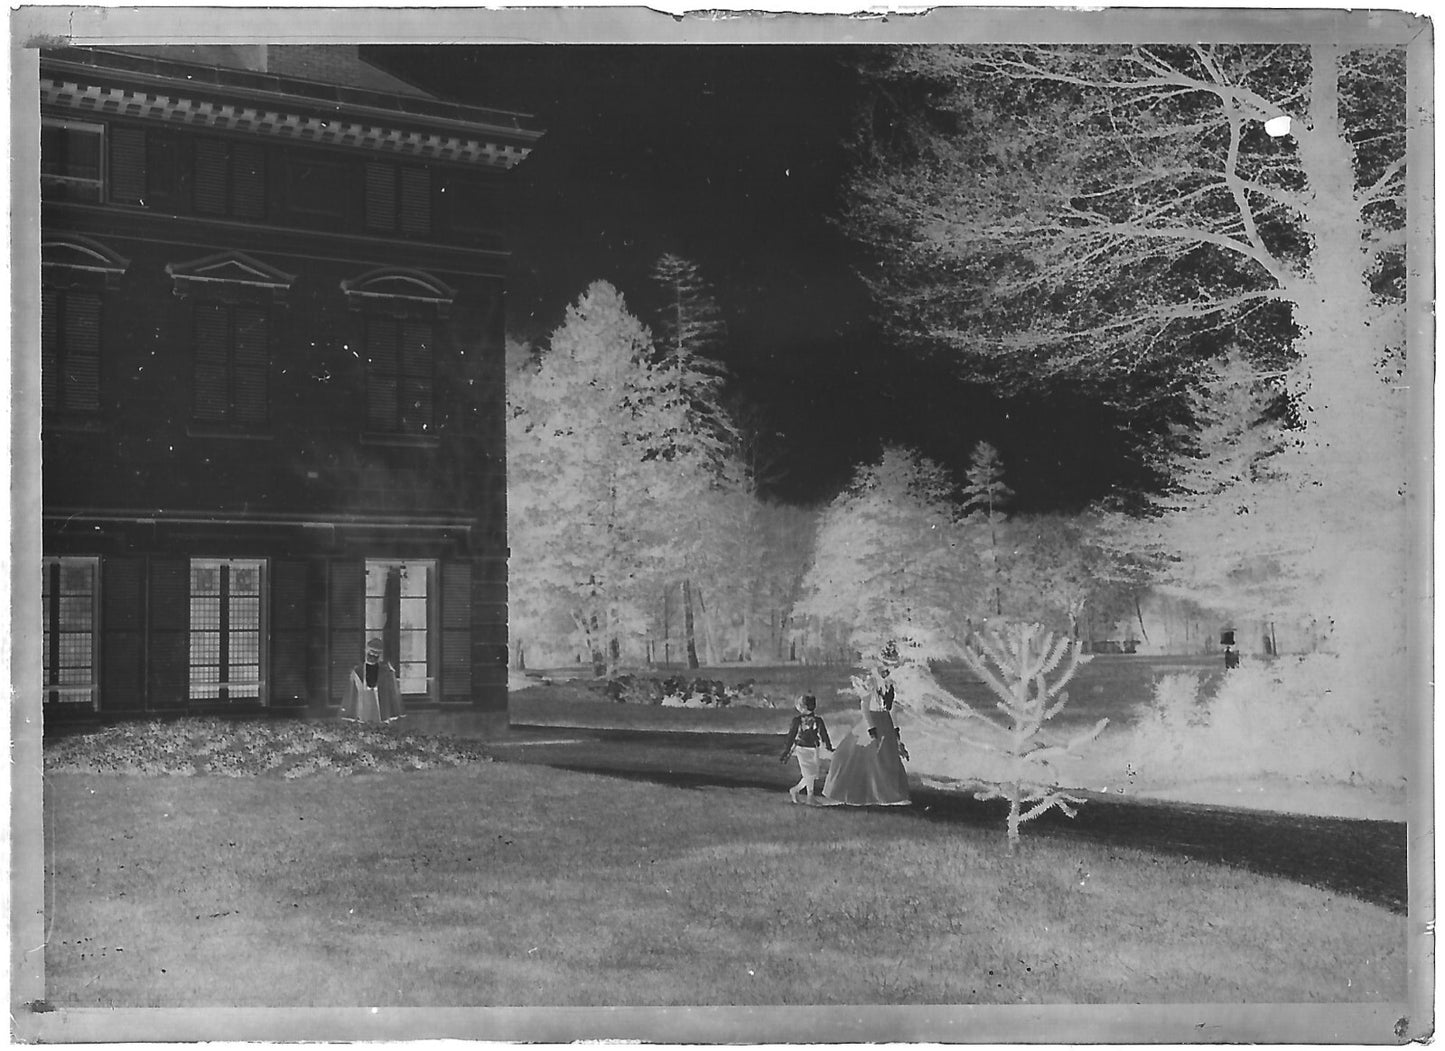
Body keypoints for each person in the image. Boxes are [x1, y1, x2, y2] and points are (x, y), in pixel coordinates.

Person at [820, 643, 911, 807]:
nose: (888, 670)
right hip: (873, 721)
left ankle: (888, 794)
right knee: (850, 755)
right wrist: (871, 728)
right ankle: (857, 793)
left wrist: (896, 730)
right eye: (886, 665)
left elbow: (891, 708)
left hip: (885, 722)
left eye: (891, 666)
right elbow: (864, 706)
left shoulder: (889, 685)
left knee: (886, 759)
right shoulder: (872, 682)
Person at [779, 694, 834, 804]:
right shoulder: (800, 720)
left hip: (814, 749)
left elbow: (824, 734)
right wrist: (786, 751)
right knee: (809, 774)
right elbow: (791, 736)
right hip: (802, 749)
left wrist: (828, 746)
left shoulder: (814, 720)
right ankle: (810, 797)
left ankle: (795, 790)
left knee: (812, 774)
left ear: (803, 707)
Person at [340, 637, 405, 723]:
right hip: (362, 704)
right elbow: (350, 693)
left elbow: (392, 693)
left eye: (376, 656)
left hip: (380, 705)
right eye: (370, 654)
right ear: (366, 652)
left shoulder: (386, 671)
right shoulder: (357, 671)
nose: (372, 657)